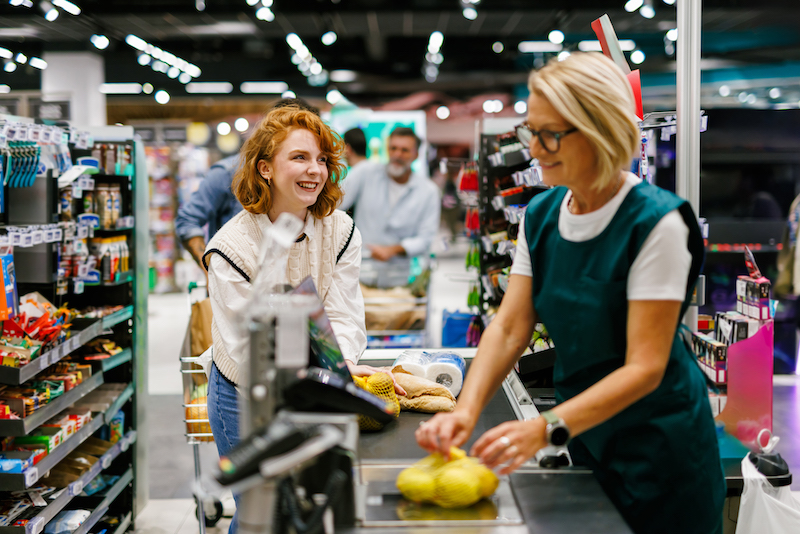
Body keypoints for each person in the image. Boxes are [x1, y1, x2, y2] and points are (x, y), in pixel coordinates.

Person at [416, 52, 725, 534]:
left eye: (551, 134)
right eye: (530, 132)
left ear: (599, 128)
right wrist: (465, 411)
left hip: (662, 454)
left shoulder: (655, 223)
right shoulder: (541, 215)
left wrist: (543, 428)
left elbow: (645, 368)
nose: (535, 149)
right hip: (585, 439)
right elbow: (512, 327)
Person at [203, 105, 403, 532]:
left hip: (311, 383)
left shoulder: (341, 230)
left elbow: (343, 313)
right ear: (265, 169)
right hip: (243, 393)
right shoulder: (231, 249)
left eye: (322, 160)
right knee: (262, 511)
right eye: (299, 158)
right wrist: (324, 382)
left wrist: (341, 367)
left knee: (317, 505)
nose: (315, 170)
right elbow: (247, 347)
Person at [175, 98, 320, 269]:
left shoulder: (315, 179)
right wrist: (210, 270)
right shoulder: (227, 173)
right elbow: (188, 220)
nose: (314, 169)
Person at [339, 127, 440, 287]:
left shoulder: (428, 192)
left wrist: (393, 250)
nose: (397, 155)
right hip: (358, 274)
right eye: (393, 148)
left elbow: (426, 238)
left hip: (400, 279)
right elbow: (337, 205)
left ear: (415, 155)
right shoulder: (365, 173)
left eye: (404, 150)